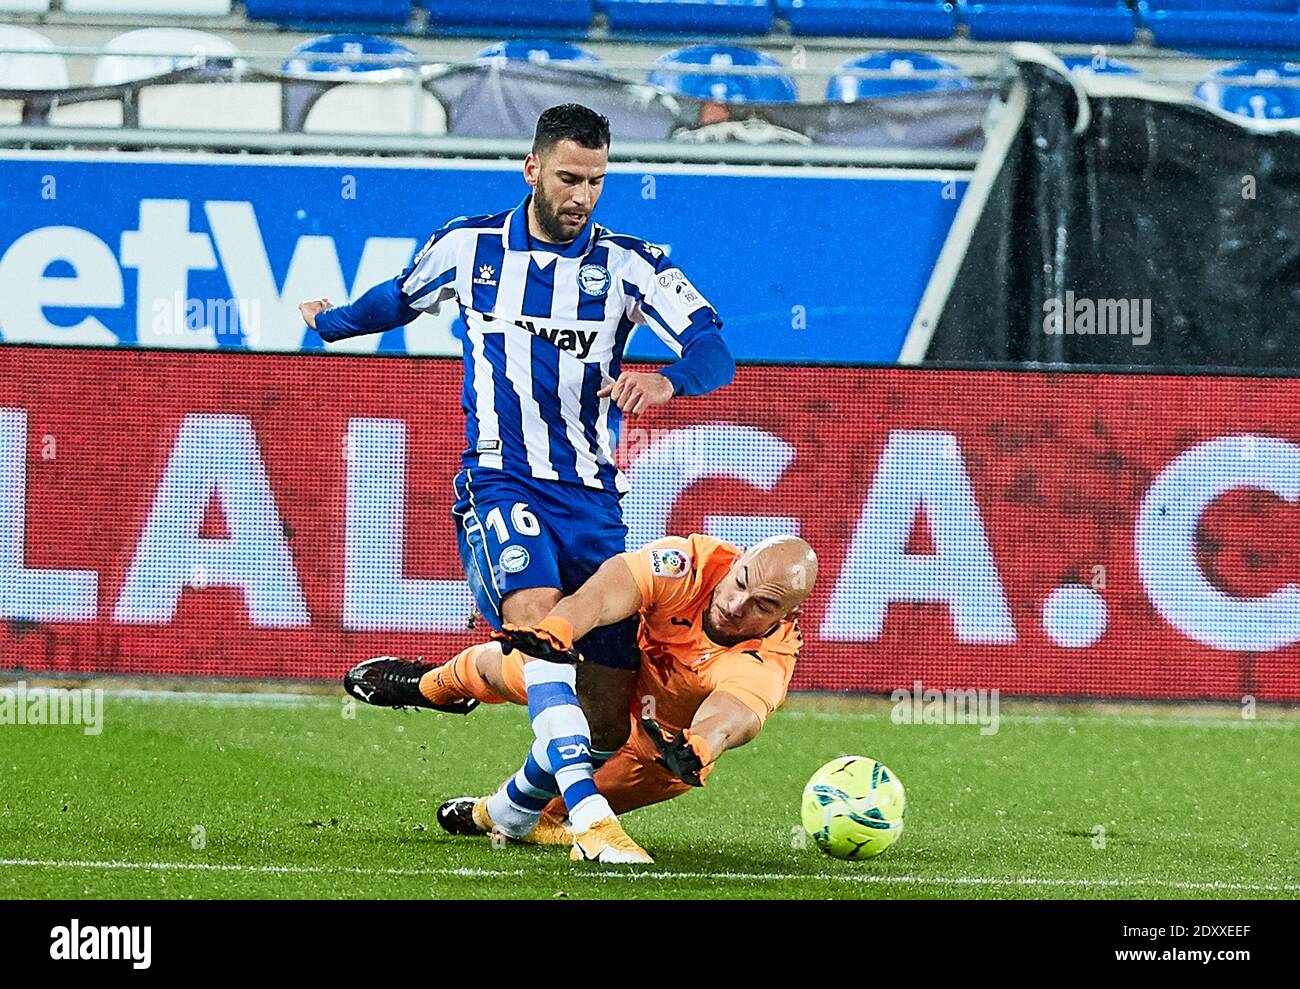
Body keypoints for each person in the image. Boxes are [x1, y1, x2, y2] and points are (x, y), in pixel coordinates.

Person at [313, 103, 734, 862]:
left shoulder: (632, 264)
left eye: (598, 181)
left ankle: (495, 791)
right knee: (544, 641)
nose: (583, 195)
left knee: (605, 720)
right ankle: (592, 824)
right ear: (532, 168)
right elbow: (397, 298)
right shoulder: (469, 247)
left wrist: (671, 382)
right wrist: (331, 322)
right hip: (499, 480)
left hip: (594, 504)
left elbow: (713, 346)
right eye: (570, 177)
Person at [347, 533, 818, 861]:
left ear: (788, 614)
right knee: (524, 663)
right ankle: (437, 686)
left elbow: (735, 712)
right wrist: (555, 630)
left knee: (549, 818)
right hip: (611, 677)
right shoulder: (689, 563)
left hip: (658, 749)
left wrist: (699, 747)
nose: (737, 606)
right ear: (735, 564)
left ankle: (487, 813)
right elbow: (605, 591)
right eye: (740, 584)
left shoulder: (771, 658)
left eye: (763, 605)